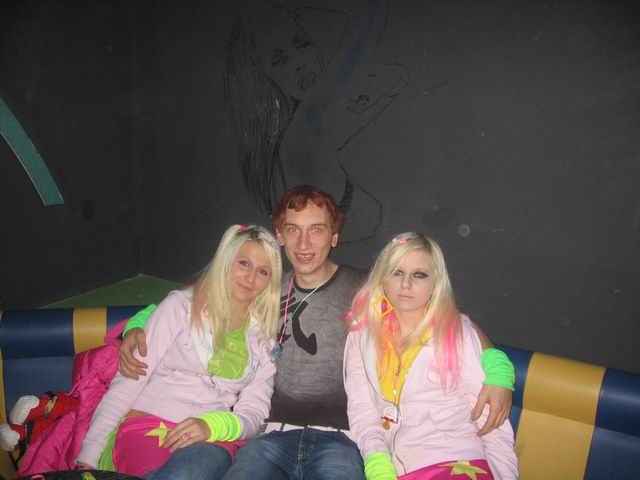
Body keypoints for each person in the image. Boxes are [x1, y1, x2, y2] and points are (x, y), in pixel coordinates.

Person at [119, 185, 513, 480]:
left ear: (334, 236)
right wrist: (139, 322)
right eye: (293, 230)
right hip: (268, 437)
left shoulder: (366, 289)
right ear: (280, 236)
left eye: (317, 230)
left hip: (342, 440)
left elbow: (444, 316)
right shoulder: (264, 287)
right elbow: (197, 295)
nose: (304, 243)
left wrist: (497, 369)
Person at [76, 225, 282, 480]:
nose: (250, 278)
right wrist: (89, 454)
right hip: (148, 425)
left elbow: (254, 413)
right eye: (244, 263)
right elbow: (129, 382)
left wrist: (214, 425)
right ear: (226, 261)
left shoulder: (264, 340)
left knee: (188, 473)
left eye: (262, 271)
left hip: (210, 440)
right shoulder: (180, 306)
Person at [344, 232, 518, 479]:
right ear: (383, 277)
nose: (406, 284)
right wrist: (377, 463)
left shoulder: (456, 333)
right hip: (397, 467)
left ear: (435, 283)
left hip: (457, 462)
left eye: (419, 275)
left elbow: (491, 421)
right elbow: (363, 413)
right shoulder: (361, 335)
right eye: (397, 272)